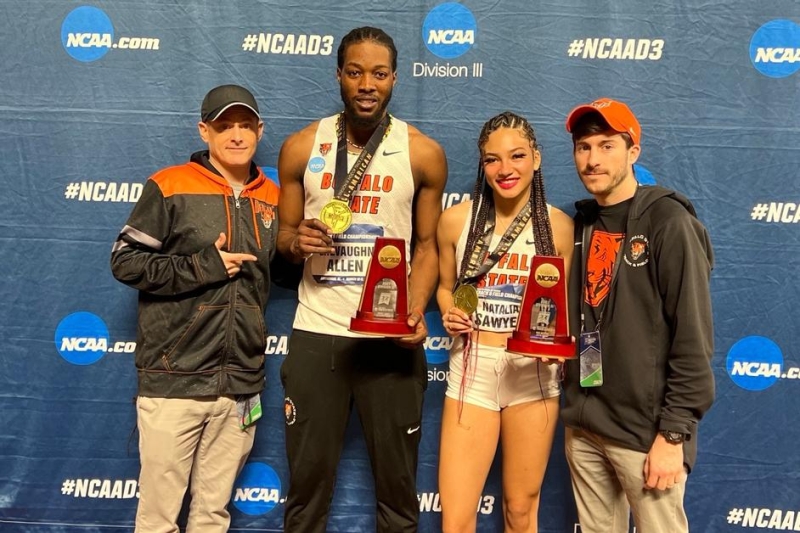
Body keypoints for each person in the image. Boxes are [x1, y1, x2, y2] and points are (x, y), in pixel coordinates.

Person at [276, 27, 448, 533]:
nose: (366, 83)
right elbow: (284, 236)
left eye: (378, 73)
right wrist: (294, 241)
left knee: (397, 496)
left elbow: (426, 246)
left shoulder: (422, 153)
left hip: (388, 341)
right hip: (318, 331)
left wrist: (413, 312)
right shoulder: (301, 146)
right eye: (355, 72)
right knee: (306, 494)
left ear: (394, 78)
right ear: (339, 76)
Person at [110, 84, 279, 533]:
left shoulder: (274, 198)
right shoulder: (169, 185)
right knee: (159, 518)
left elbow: (277, 275)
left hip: (240, 385)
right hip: (174, 380)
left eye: (246, 125)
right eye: (225, 125)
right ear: (204, 130)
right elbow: (124, 261)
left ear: (260, 130)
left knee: (213, 516)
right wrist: (203, 266)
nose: (236, 134)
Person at [561, 97, 715, 533]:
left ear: (633, 152)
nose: (592, 159)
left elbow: (693, 337)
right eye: (583, 147)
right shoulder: (583, 223)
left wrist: (674, 436)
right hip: (585, 426)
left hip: (646, 437)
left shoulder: (669, 222)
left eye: (607, 145)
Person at [436, 112, 574, 533]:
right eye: (492, 160)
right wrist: (449, 309)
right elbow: (445, 286)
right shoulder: (457, 220)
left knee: (520, 511)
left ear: (536, 158)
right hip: (472, 371)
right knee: (457, 519)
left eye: (516, 156)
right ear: (482, 165)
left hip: (532, 376)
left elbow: (562, 311)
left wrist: (554, 348)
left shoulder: (560, 228)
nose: (505, 169)